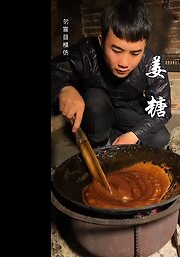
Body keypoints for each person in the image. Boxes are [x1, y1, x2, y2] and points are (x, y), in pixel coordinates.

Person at [51, 0, 172, 149]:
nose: (124, 63)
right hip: (97, 109)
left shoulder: (152, 63)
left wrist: (134, 135)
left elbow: (162, 111)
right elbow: (55, 70)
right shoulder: (87, 51)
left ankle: (114, 137)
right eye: (116, 50)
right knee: (95, 99)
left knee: (161, 137)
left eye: (135, 53)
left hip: (128, 111)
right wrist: (64, 87)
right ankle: (100, 145)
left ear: (144, 47)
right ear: (101, 41)